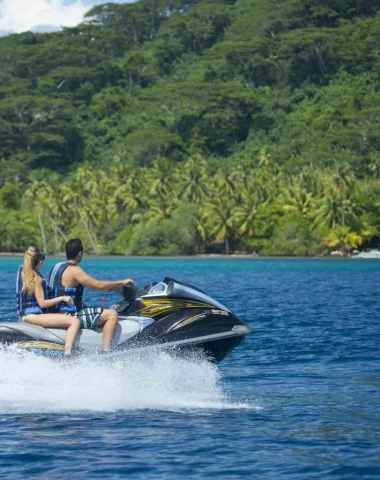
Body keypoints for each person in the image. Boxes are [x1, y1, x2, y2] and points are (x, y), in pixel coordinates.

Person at [49, 238, 134, 353]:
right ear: (79, 254)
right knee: (112, 314)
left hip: (55, 312)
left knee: (88, 307)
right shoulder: (74, 270)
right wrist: (121, 282)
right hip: (68, 315)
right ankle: (106, 351)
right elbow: (98, 285)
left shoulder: (56, 267)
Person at [16, 247, 80, 356]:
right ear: (40, 262)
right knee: (74, 321)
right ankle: (68, 354)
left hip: (23, 316)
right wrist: (62, 298)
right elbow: (42, 303)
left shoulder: (22, 271)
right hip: (33, 317)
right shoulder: (36, 278)